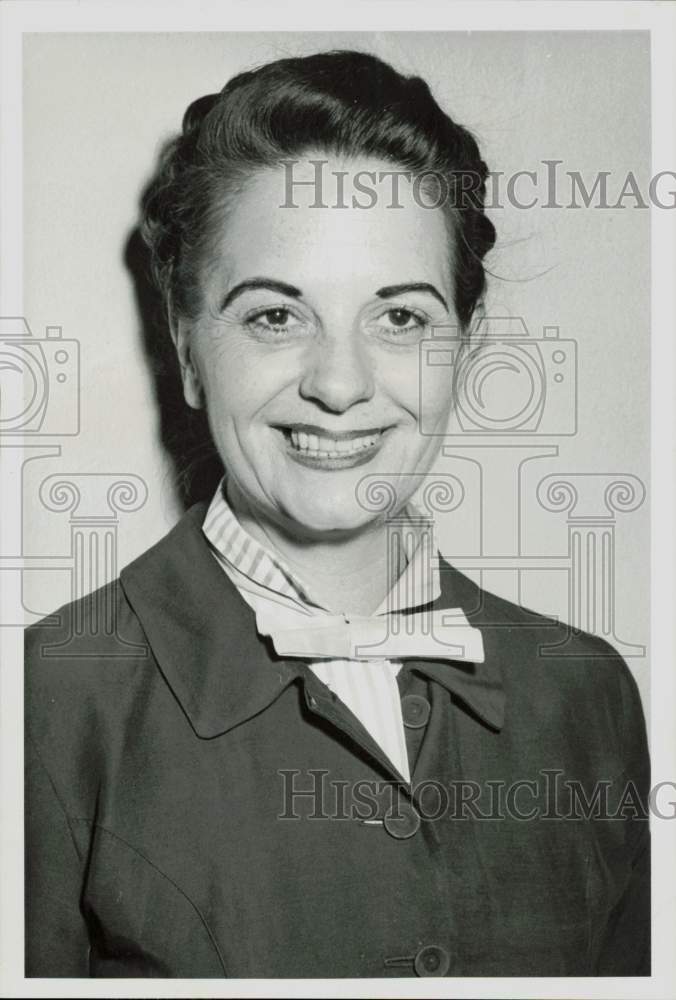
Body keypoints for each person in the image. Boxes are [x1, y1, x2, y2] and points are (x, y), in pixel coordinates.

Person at [24, 49, 650, 978]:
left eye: (400, 318)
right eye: (276, 316)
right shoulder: (42, 707)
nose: (341, 384)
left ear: (464, 351)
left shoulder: (589, 696)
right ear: (190, 345)